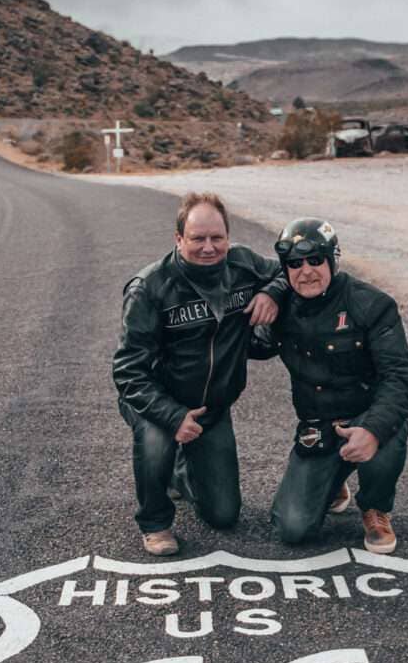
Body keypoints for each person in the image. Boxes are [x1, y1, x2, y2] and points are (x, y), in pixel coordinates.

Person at [113, 193, 284, 556]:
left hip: (212, 408)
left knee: (223, 515)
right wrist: (172, 416)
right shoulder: (149, 288)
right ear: (179, 239)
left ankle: (180, 470)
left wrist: (272, 292)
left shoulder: (244, 265)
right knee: (156, 441)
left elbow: (290, 272)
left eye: (217, 238)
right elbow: (128, 371)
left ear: (228, 237)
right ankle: (155, 522)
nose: (209, 247)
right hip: (157, 402)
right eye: (197, 238)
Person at [252, 218, 408, 554]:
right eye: (295, 264)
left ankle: (375, 507)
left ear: (332, 259)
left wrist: (372, 430)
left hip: (368, 415)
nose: (306, 271)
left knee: (389, 428)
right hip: (318, 424)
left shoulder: (371, 304)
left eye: (316, 260)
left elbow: (402, 377)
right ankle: (334, 480)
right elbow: (249, 347)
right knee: (292, 528)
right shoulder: (281, 308)